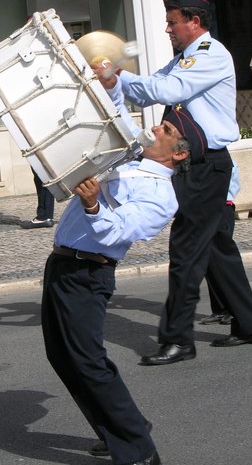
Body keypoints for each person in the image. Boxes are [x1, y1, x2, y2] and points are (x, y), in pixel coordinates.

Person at [42, 77, 207, 465]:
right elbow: (111, 116)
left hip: (88, 273)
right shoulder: (132, 159)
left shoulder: (160, 196)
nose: (154, 128)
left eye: (165, 130)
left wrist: (94, 205)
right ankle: (117, 428)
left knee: (88, 360)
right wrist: (110, 81)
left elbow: (119, 230)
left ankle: (139, 451)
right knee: (62, 357)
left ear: (179, 154)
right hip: (63, 263)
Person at [113, 0, 252, 365]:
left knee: (185, 252)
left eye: (172, 22)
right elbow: (151, 88)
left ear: (194, 22)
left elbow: (165, 89)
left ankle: (179, 339)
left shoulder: (209, 55)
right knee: (217, 248)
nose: (168, 29)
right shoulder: (186, 57)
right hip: (197, 164)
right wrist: (117, 79)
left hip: (204, 166)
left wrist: (118, 76)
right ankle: (250, 326)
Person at [199, 164, 240, 326]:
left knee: (222, 263)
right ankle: (220, 308)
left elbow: (232, 183)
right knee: (209, 262)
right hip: (207, 210)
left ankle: (232, 309)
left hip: (221, 207)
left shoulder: (222, 158)